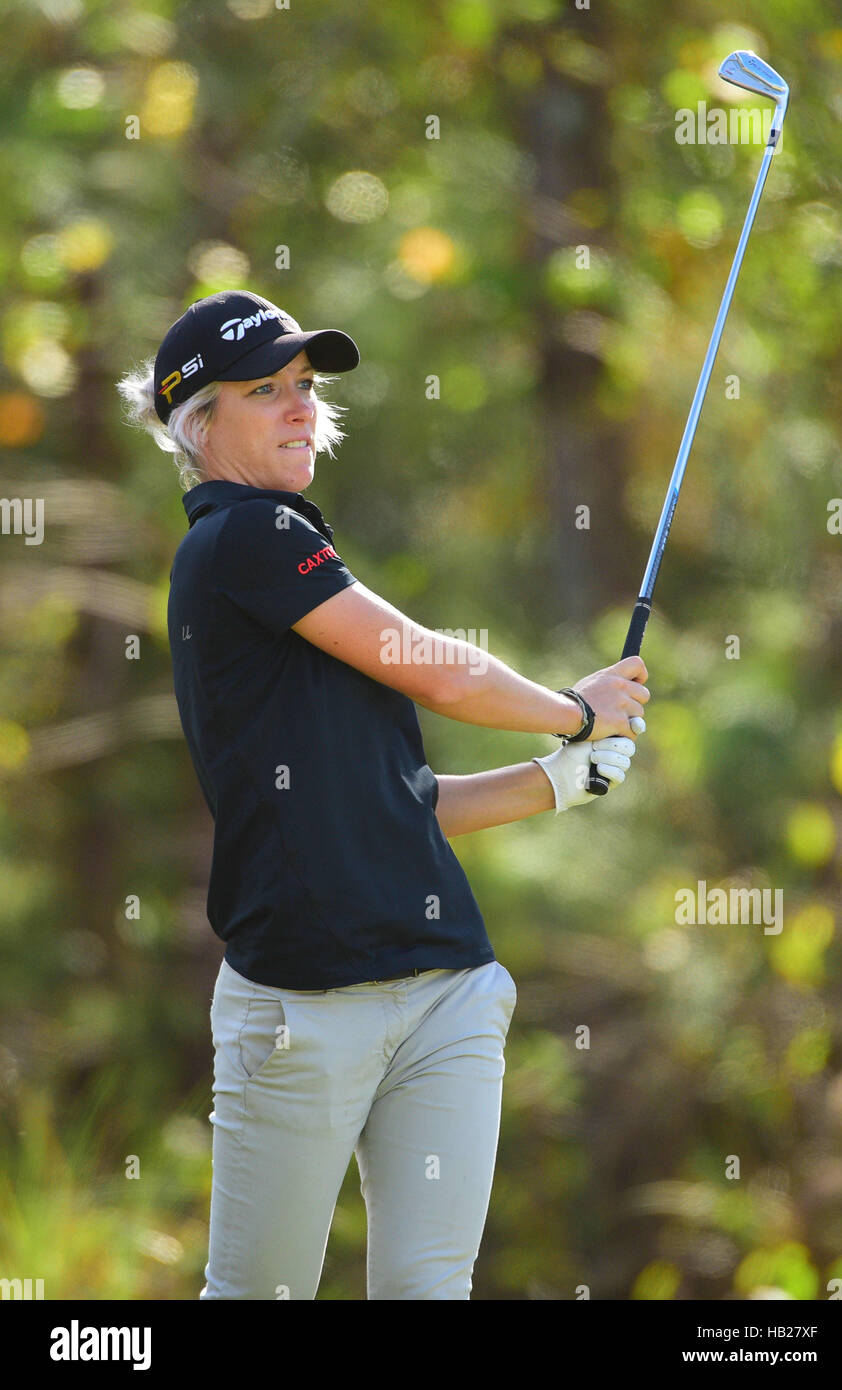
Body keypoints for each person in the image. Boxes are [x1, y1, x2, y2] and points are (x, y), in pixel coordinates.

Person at [116, 289, 650, 1300]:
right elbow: (435, 669)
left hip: (446, 985)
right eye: (264, 390)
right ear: (200, 423)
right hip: (302, 1006)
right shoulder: (248, 537)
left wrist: (553, 782)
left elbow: (390, 798)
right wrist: (573, 712)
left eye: (305, 387)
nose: (299, 408)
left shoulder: (288, 554)